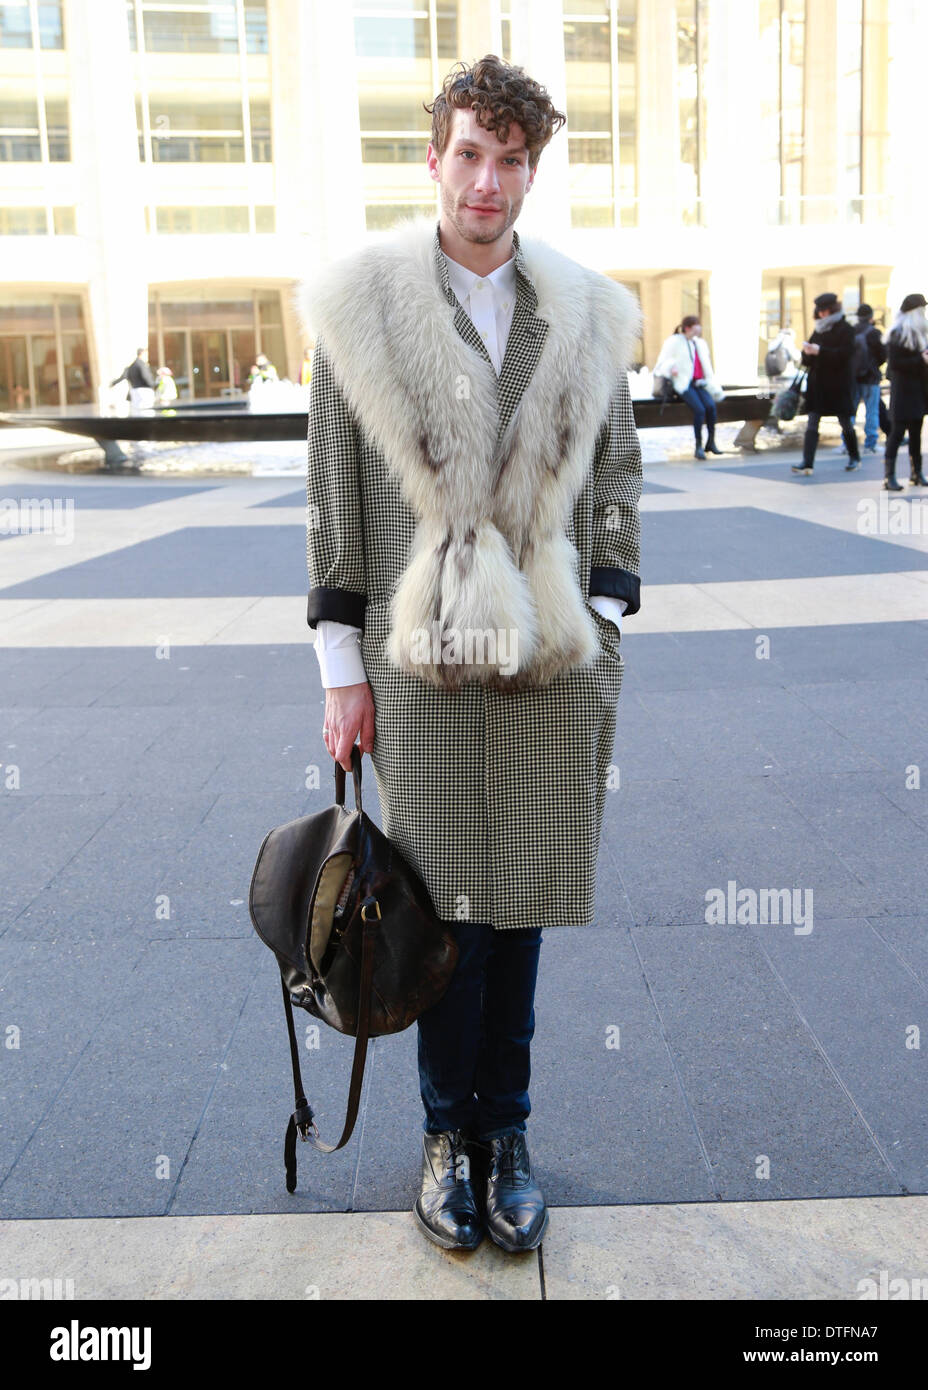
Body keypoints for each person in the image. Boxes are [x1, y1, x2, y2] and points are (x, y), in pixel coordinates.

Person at [295, 54, 641, 1255]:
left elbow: (617, 471)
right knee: (441, 906)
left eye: (510, 159)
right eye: (468, 154)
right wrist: (341, 670)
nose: (486, 181)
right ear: (432, 158)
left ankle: (509, 1134)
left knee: (525, 902)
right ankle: (449, 1134)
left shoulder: (588, 311)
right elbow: (333, 498)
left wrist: (603, 610)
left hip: (549, 652)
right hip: (420, 655)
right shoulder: (362, 310)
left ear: (531, 170)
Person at [792, 292, 861, 476]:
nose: (821, 315)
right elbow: (808, 359)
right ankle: (807, 462)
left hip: (838, 384)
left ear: (832, 309)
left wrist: (820, 351)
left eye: (824, 311)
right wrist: (807, 352)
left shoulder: (845, 329)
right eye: (819, 311)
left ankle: (854, 457)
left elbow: (845, 354)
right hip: (818, 385)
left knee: (845, 422)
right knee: (812, 422)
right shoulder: (818, 329)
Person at [654, 316, 724, 459]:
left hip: (699, 383)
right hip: (683, 384)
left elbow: (705, 366)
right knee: (699, 409)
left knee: (711, 407)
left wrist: (708, 380)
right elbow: (662, 363)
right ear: (688, 328)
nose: (699, 328)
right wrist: (672, 367)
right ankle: (698, 446)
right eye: (696, 325)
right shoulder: (674, 341)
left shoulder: (699, 343)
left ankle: (711, 442)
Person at [883, 292, 928, 491]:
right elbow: (894, 365)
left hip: (919, 390)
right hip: (903, 391)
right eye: (922, 310)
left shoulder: (921, 333)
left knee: (917, 432)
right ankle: (889, 476)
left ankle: (916, 473)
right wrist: (921, 360)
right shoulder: (897, 333)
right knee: (897, 433)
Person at [846, 304, 886, 456]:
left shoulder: (851, 331)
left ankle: (847, 443)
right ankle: (870, 443)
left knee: (850, 412)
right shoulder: (874, 333)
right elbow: (883, 355)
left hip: (853, 378)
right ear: (871, 316)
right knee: (871, 411)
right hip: (870, 377)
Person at [110, 347, 156, 413]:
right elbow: (146, 377)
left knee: (137, 412)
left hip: (134, 392)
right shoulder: (141, 364)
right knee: (147, 412)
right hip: (144, 392)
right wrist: (153, 385)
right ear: (142, 354)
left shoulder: (131, 366)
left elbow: (123, 376)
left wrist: (113, 383)